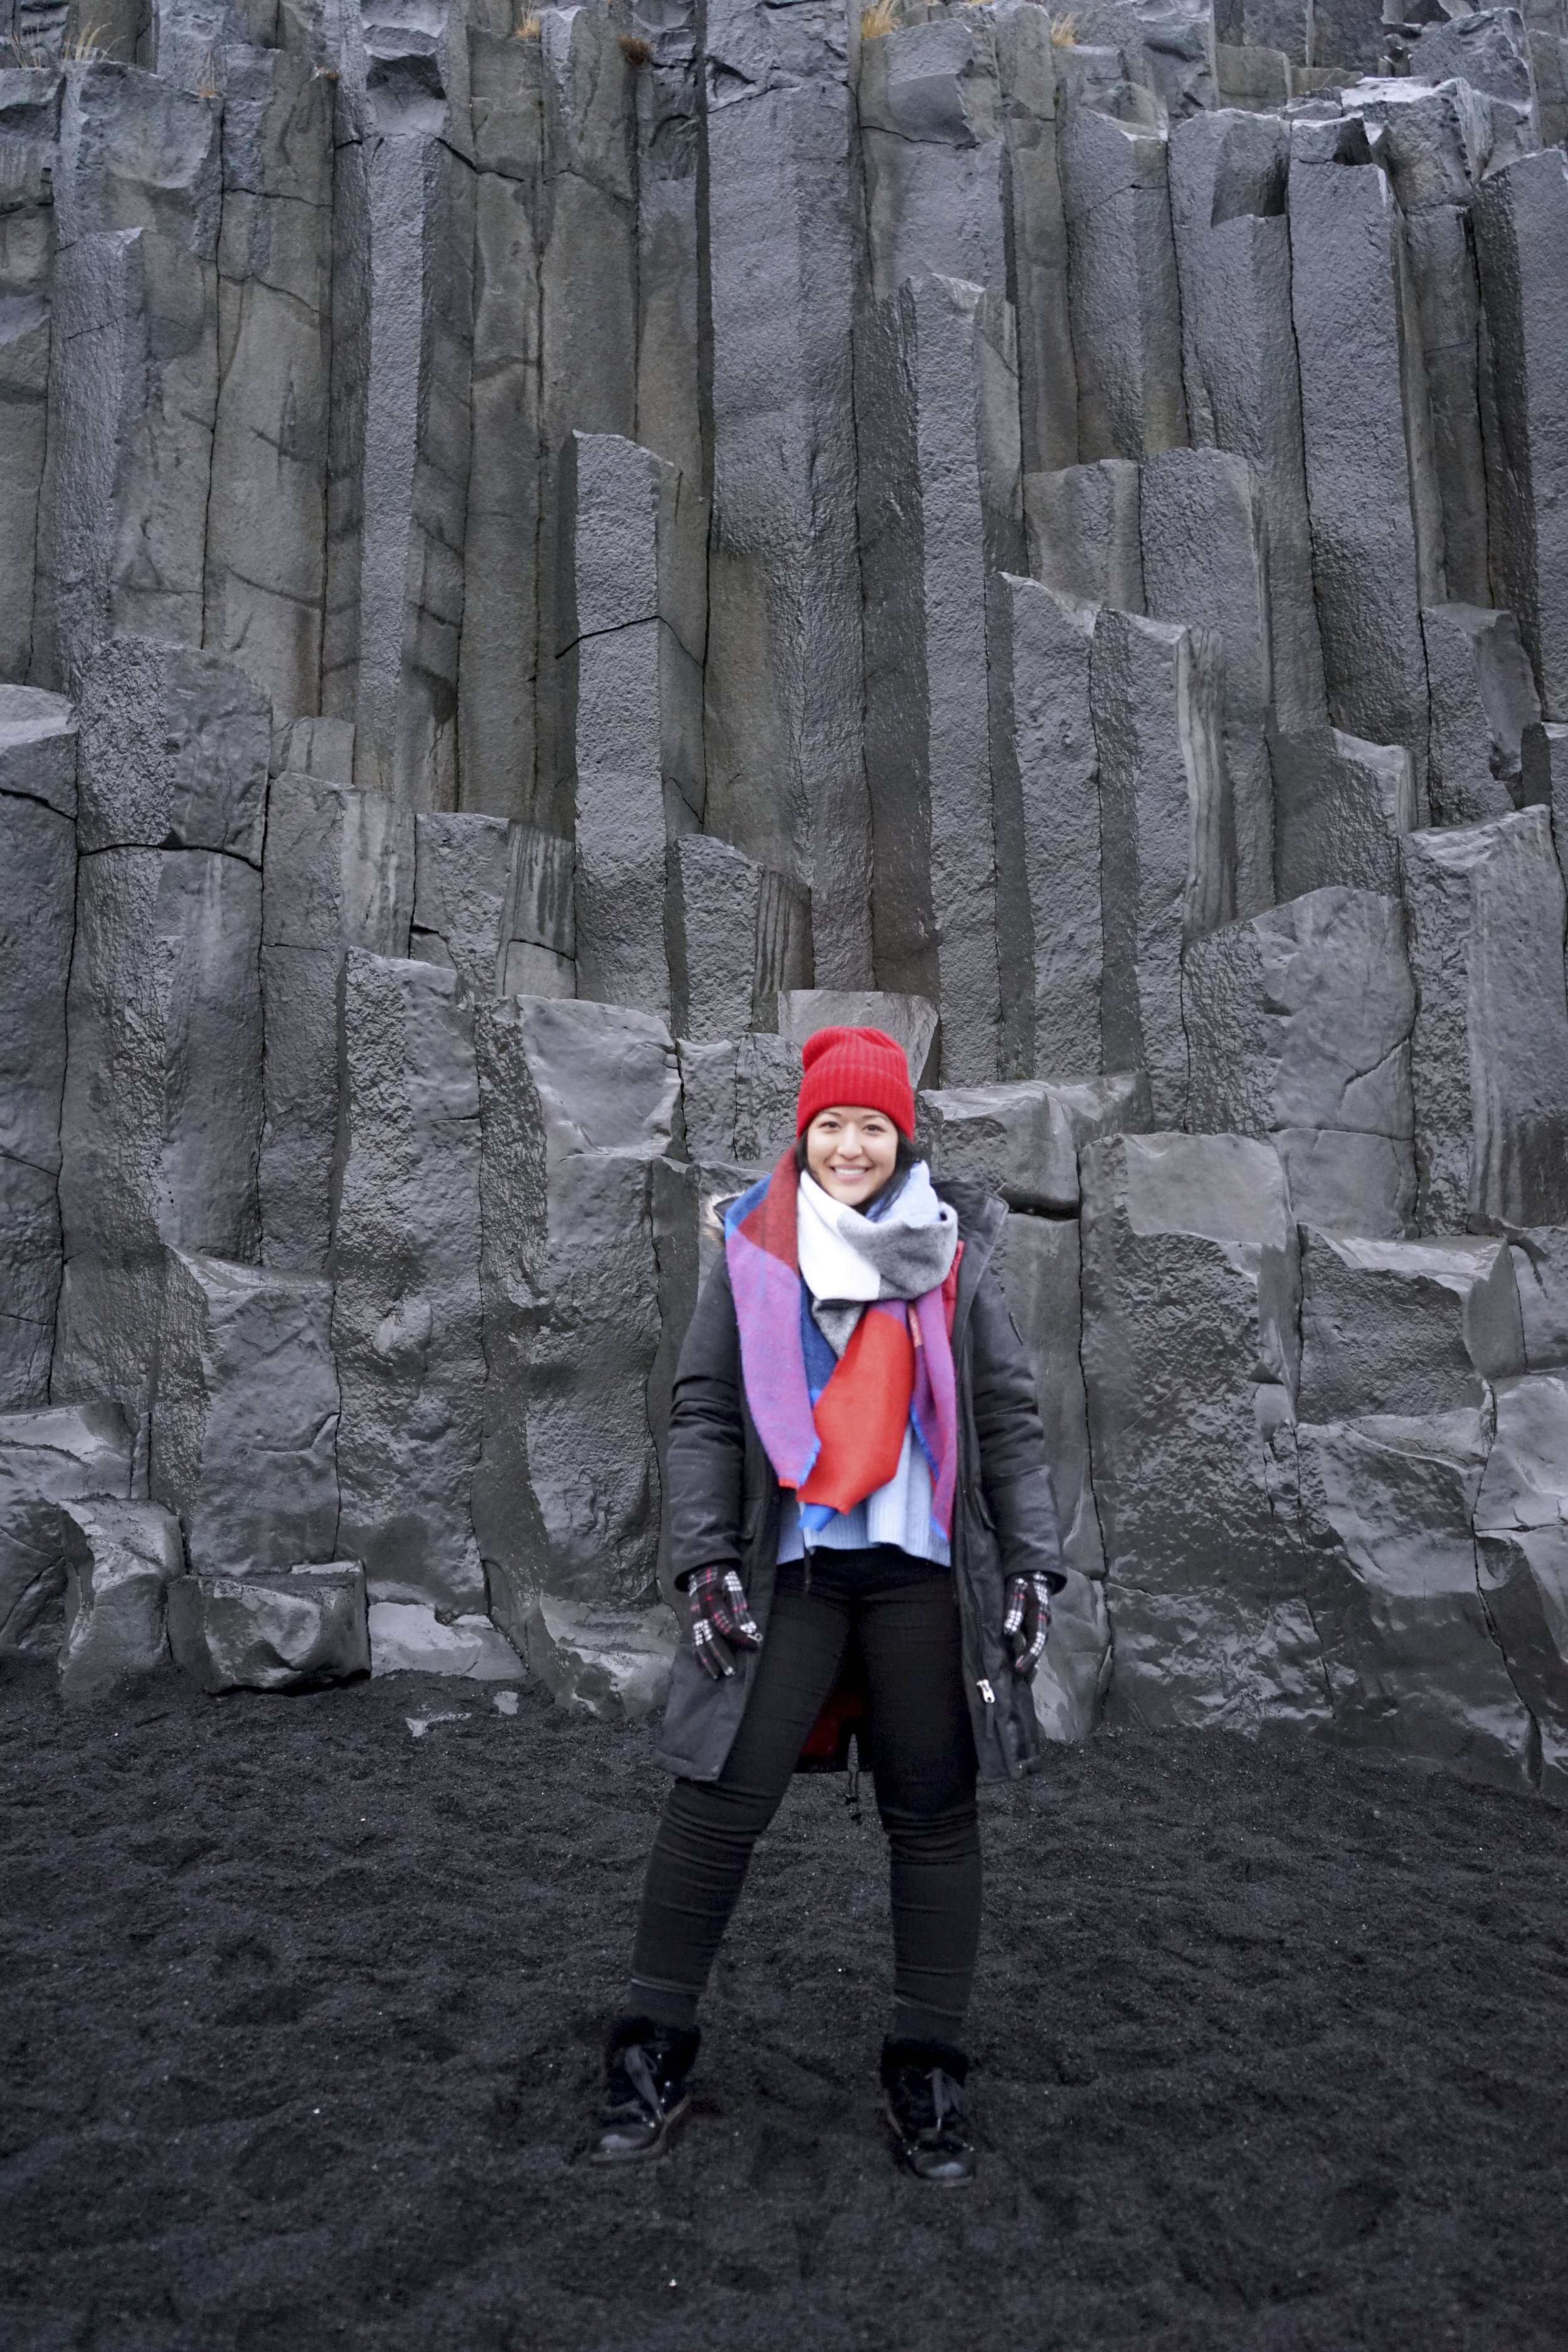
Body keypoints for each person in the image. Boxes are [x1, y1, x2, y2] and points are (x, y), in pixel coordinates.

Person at [587, 1025, 1064, 2186]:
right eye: (831, 1124)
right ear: (805, 1132)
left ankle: (927, 2064)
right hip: (790, 1563)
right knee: (717, 1795)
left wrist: (1036, 1565)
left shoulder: (954, 1254)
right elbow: (702, 1410)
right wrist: (706, 1562)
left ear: (903, 1136)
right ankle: (653, 2047)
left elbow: (1004, 1418)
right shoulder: (754, 1247)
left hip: (921, 1572)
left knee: (934, 1811)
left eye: (873, 1125)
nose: (851, 1144)